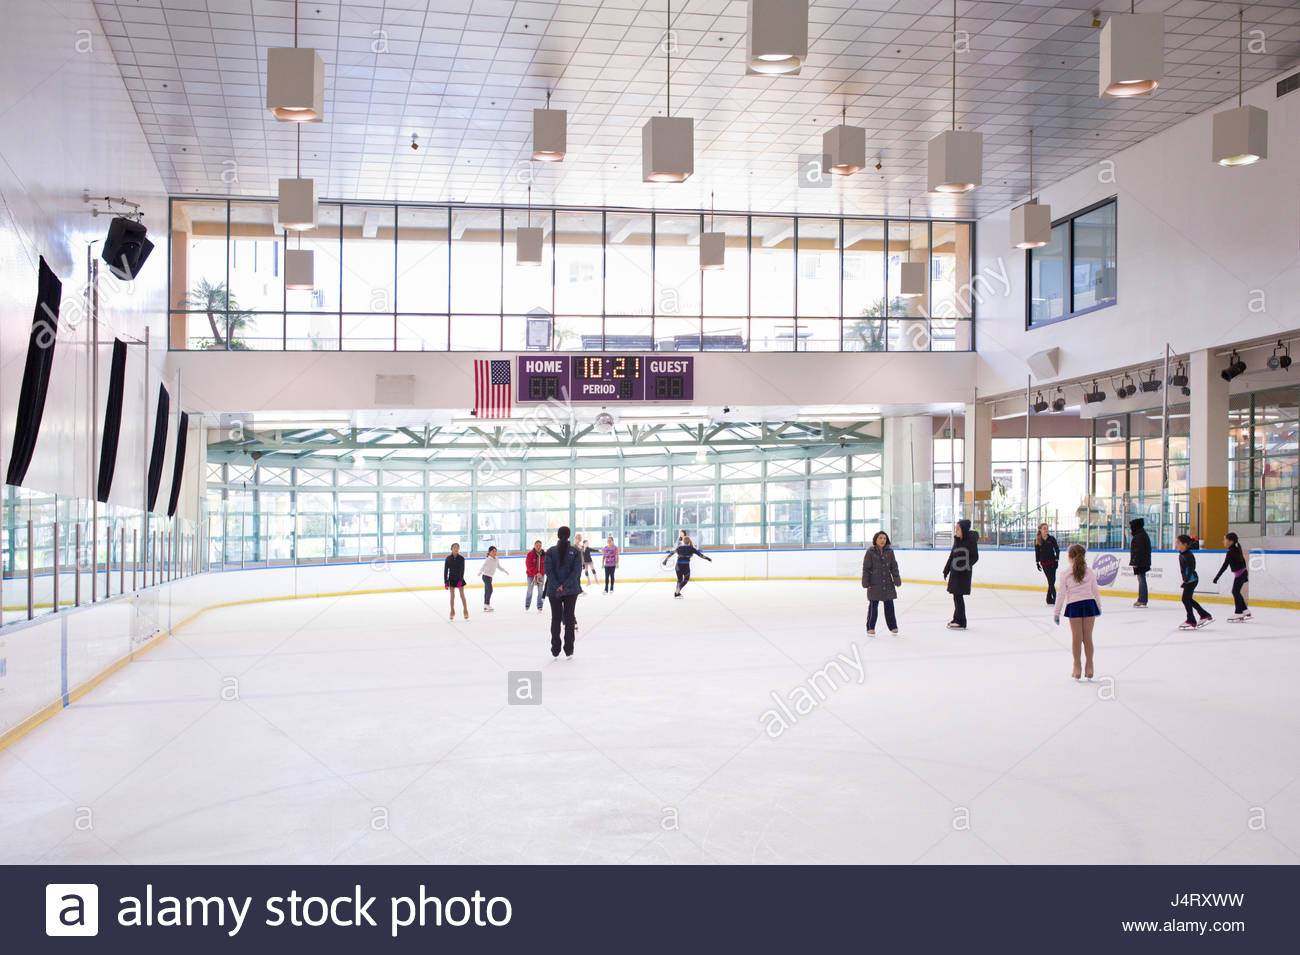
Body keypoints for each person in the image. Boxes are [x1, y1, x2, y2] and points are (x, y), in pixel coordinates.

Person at [1054, 543, 1101, 681]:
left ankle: (1077, 666)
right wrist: (1098, 606)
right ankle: (1089, 665)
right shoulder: (1089, 571)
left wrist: (1056, 612)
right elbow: (1095, 591)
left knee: (1077, 638)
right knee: (1088, 637)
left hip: (1074, 606)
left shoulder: (1065, 574)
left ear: (1069, 557)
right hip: (1089, 605)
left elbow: (1061, 595)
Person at [544, 526, 584, 659]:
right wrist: (565, 585)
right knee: (569, 619)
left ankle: (555, 649)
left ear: (557, 535)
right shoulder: (575, 551)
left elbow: (549, 572)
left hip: (554, 591)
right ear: (569, 535)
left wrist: (557, 585)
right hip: (571, 590)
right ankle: (569, 650)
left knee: (556, 619)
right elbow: (576, 572)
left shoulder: (550, 551)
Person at [861, 531, 902, 635]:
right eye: (880, 538)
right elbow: (866, 568)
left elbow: (894, 567)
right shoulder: (870, 551)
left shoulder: (890, 551)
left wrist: (896, 579)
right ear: (875, 539)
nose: (882, 540)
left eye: (884, 538)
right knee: (873, 606)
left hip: (887, 583)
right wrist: (865, 582)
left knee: (889, 606)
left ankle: (893, 626)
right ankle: (870, 627)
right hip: (874, 583)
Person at [942, 519, 979, 630]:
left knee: (958, 596)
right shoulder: (957, 540)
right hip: (955, 572)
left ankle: (961, 621)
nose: (956, 530)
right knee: (956, 596)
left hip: (964, 574)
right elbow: (951, 556)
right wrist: (946, 569)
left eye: (958, 528)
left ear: (963, 529)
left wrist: (965, 566)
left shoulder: (970, 541)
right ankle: (957, 618)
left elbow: (975, 557)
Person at [1176, 534, 1212, 630]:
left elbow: (1191, 568)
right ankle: (1203, 614)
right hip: (1189, 580)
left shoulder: (1188, 555)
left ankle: (1191, 619)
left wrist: (1186, 580)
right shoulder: (1183, 554)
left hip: (1191, 580)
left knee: (1185, 599)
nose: (1176, 545)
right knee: (1188, 599)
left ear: (1184, 544)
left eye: (1178, 543)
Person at [1213, 532, 1251, 622]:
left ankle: (1238, 612)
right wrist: (1245, 575)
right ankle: (1245, 610)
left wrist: (1217, 577)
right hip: (1242, 573)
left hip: (1241, 574)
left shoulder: (1231, 552)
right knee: (1236, 592)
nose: (1223, 542)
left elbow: (1224, 566)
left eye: (1225, 540)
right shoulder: (1236, 549)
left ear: (1231, 541)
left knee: (1235, 592)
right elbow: (1243, 562)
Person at [663, 533, 711, 597]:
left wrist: (665, 560)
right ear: (689, 542)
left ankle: (677, 593)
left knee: (679, 579)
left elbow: (671, 554)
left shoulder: (679, 548)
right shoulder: (691, 548)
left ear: (683, 541)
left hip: (678, 566)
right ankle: (677, 592)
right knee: (686, 579)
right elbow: (701, 555)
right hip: (685, 566)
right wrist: (708, 558)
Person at [1034, 523, 1060, 605]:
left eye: (1047, 528)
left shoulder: (1051, 539)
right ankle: (1055, 597)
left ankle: (1049, 599)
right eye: (1044, 528)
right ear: (1040, 530)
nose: (1046, 530)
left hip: (1053, 562)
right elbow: (1037, 552)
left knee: (1052, 580)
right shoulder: (1037, 540)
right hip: (1044, 563)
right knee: (1050, 580)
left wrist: (1057, 559)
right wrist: (1037, 563)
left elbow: (1057, 549)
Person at [477, 545, 508, 612]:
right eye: (493, 551)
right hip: (485, 576)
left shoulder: (496, 559)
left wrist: (504, 571)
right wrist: (480, 572)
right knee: (490, 590)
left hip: (490, 577)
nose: (494, 552)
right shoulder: (488, 559)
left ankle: (485, 605)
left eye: (495, 551)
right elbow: (483, 566)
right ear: (489, 552)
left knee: (487, 591)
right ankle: (487, 604)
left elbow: (498, 567)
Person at [1129, 517, 1152, 607]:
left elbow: (1138, 551)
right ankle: (1142, 599)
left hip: (1141, 562)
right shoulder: (1141, 535)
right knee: (1141, 579)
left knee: (1141, 580)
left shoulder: (1139, 536)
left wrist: (1135, 562)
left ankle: (1142, 599)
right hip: (1143, 561)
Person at [444, 542, 468, 620]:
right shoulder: (448, 558)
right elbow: (445, 571)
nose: (456, 549)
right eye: (454, 547)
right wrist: (446, 582)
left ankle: (465, 610)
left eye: (457, 547)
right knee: (452, 596)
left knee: (462, 595)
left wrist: (460, 580)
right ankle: (452, 611)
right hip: (451, 579)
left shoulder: (461, 558)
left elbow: (462, 570)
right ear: (452, 549)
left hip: (459, 578)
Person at [524, 540, 546, 613]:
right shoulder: (530, 554)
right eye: (537, 545)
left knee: (540, 591)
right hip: (531, 575)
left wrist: (541, 573)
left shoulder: (544, 554)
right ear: (534, 546)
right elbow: (528, 566)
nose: (538, 547)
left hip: (541, 576)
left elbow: (546, 565)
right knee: (530, 590)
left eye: (540, 545)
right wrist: (536, 573)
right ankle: (527, 604)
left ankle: (540, 606)